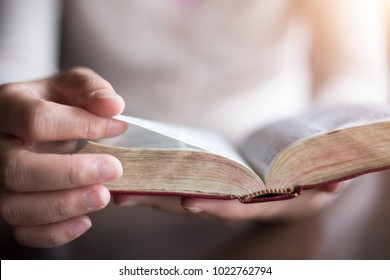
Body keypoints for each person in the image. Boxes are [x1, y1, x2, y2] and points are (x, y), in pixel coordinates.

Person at [0, 0, 388, 248]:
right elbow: (16, 64)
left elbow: (354, 71)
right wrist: (18, 125)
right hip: (100, 210)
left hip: (284, 215)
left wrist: (324, 163)